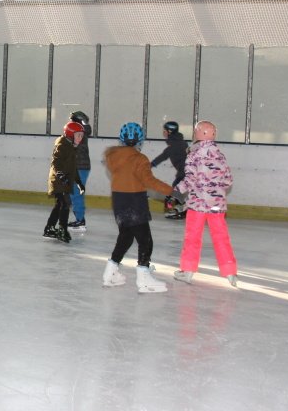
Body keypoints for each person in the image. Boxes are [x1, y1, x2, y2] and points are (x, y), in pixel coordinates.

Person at [102, 121, 174, 293]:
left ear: (121, 139)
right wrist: (172, 191)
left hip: (119, 202)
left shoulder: (113, 157)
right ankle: (144, 278)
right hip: (135, 202)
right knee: (145, 240)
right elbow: (149, 181)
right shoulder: (140, 159)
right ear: (140, 140)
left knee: (126, 237)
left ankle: (110, 273)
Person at [172, 121, 238, 287]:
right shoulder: (220, 155)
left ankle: (187, 271)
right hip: (217, 205)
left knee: (193, 237)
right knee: (221, 238)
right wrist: (216, 191)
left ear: (199, 133)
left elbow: (190, 179)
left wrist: (176, 191)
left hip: (198, 205)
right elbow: (228, 181)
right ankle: (230, 272)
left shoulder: (194, 154)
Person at [44, 120, 84, 243]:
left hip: (64, 181)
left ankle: (49, 228)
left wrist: (79, 182)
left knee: (60, 205)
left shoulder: (71, 147)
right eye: (78, 135)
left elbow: (73, 168)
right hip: (58, 181)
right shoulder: (62, 145)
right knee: (65, 204)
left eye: (82, 136)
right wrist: (61, 175)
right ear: (70, 134)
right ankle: (62, 229)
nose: (80, 138)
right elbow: (55, 162)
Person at [151, 120, 189, 219]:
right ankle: (183, 209)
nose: (163, 132)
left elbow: (163, 156)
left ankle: (179, 210)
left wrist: (151, 165)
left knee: (174, 192)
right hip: (187, 172)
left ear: (169, 132)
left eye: (165, 131)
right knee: (177, 191)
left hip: (184, 173)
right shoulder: (182, 142)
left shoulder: (173, 146)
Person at [67, 110, 93, 230]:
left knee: (76, 194)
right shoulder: (81, 132)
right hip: (79, 167)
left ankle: (80, 221)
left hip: (80, 167)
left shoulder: (79, 133)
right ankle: (79, 219)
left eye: (72, 121)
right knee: (75, 193)